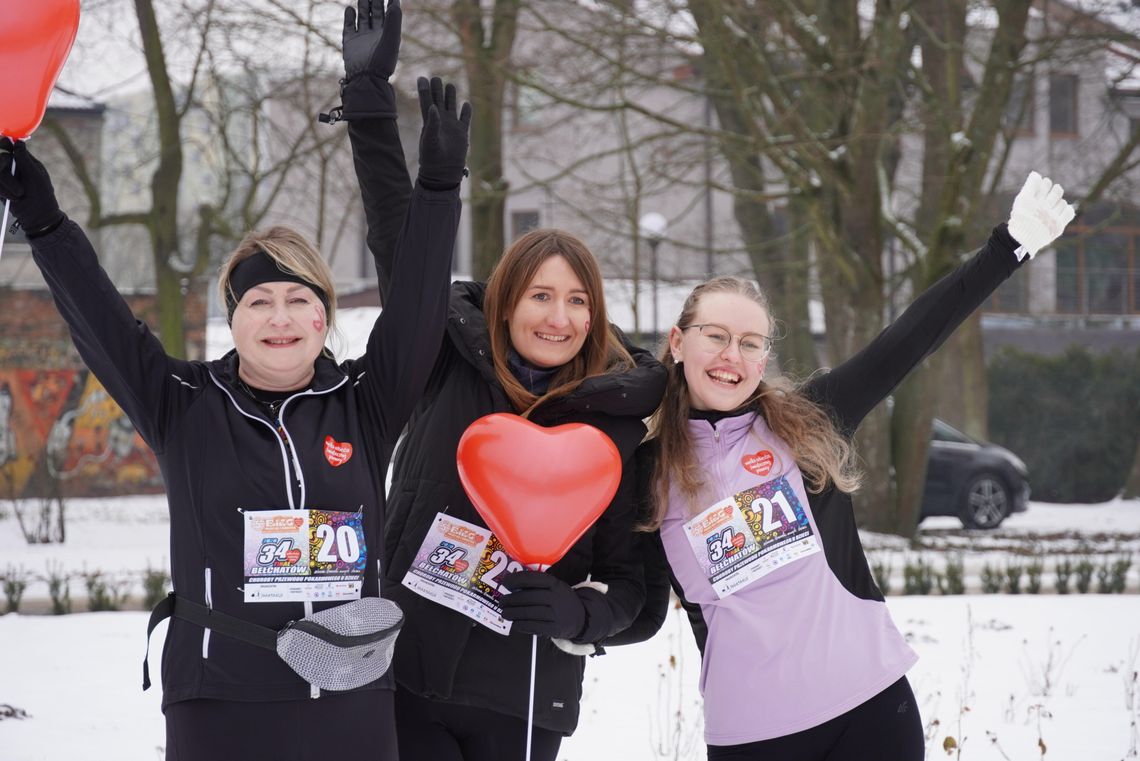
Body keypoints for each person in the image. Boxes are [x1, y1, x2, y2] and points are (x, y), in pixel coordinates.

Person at [0, 4, 470, 754]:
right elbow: (99, 319)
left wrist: (438, 189)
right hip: (220, 703)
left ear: (323, 319)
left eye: (299, 300)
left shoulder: (366, 404)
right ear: (234, 315)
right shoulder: (182, 403)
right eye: (260, 300)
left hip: (350, 702)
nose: (279, 316)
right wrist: (44, 219)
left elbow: (416, 306)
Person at [623, 172, 1075, 761]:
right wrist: (578, 616)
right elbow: (633, 597)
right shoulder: (644, 469)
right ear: (678, 343)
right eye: (716, 336)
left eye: (752, 342)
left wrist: (1007, 247)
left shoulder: (807, 422)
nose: (733, 356)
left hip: (869, 706)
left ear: (764, 358)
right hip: (751, 733)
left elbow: (909, 339)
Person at [343, 25, 667, 761]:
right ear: (504, 302)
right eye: (540, 296)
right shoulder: (444, 363)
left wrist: (578, 611)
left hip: (524, 696)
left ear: (597, 315)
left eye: (578, 301)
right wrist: (369, 105)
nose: (559, 318)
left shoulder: (618, 425)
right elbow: (400, 247)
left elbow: (632, 592)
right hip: (409, 679)